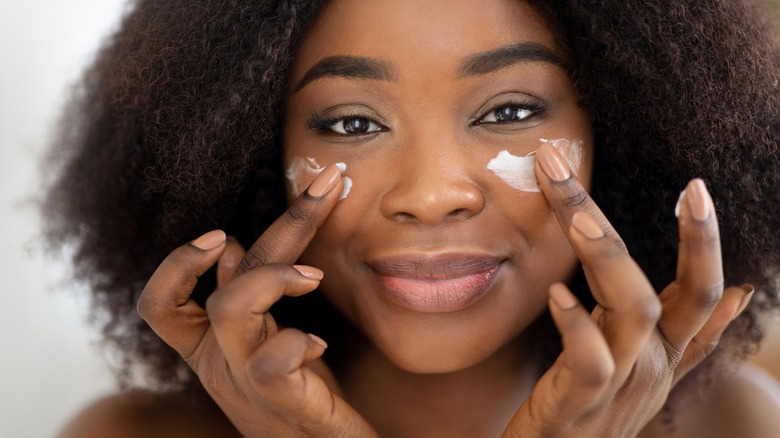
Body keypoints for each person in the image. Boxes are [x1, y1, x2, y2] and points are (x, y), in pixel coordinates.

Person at [45, 0, 780, 436]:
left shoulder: (739, 426)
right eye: (351, 123)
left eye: (511, 111)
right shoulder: (124, 435)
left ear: (622, 140)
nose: (431, 195)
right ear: (249, 157)